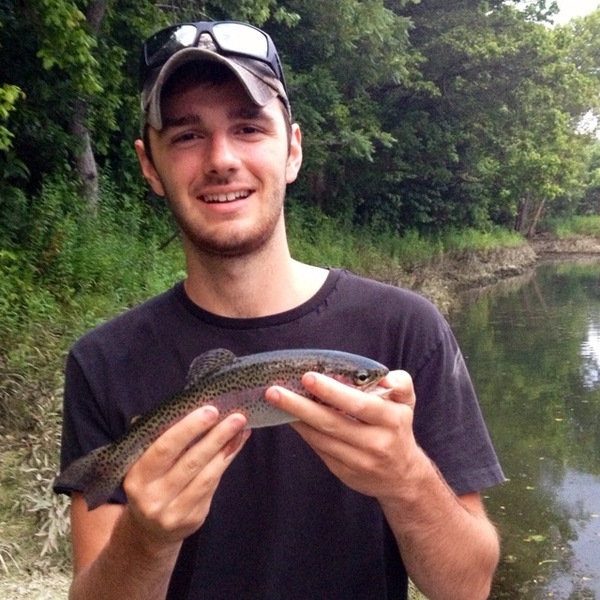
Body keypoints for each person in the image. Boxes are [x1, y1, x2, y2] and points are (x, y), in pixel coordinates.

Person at [54, 20, 504, 600]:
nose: (221, 159)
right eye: (187, 135)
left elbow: (468, 588)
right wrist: (147, 537)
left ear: (292, 149)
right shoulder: (102, 362)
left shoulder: (407, 329)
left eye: (248, 128)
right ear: (149, 166)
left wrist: (407, 480)